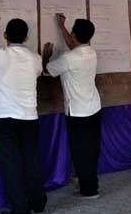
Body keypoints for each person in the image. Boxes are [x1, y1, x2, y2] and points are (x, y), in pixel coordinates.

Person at [0, 13, 45, 214]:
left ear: (6, 35)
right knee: (31, 160)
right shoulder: (36, 59)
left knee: (11, 164)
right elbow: (36, 72)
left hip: (4, 118)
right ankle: (38, 202)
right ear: (26, 38)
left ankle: (20, 209)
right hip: (29, 117)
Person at [42, 14, 102, 199]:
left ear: (75, 35)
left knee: (80, 151)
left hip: (78, 112)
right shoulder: (90, 52)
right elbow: (73, 44)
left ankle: (89, 190)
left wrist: (46, 56)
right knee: (91, 149)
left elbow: (46, 71)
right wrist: (62, 26)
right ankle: (90, 185)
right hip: (93, 108)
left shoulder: (69, 58)